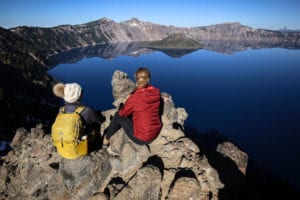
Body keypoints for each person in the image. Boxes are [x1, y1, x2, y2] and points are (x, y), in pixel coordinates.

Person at [103, 67, 162, 146]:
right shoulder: (156, 92)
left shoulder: (135, 98)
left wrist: (125, 102)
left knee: (118, 116)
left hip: (142, 139)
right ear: (149, 78)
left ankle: (106, 138)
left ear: (136, 79)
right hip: (156, 132)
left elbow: (122, 114)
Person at [53, 82, 103, 151]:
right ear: (77, 96)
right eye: (80, 92)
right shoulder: (86, 110)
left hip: (64, 148)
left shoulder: (61, 110)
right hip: (81, 147)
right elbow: (99, 120)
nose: (82, 93)